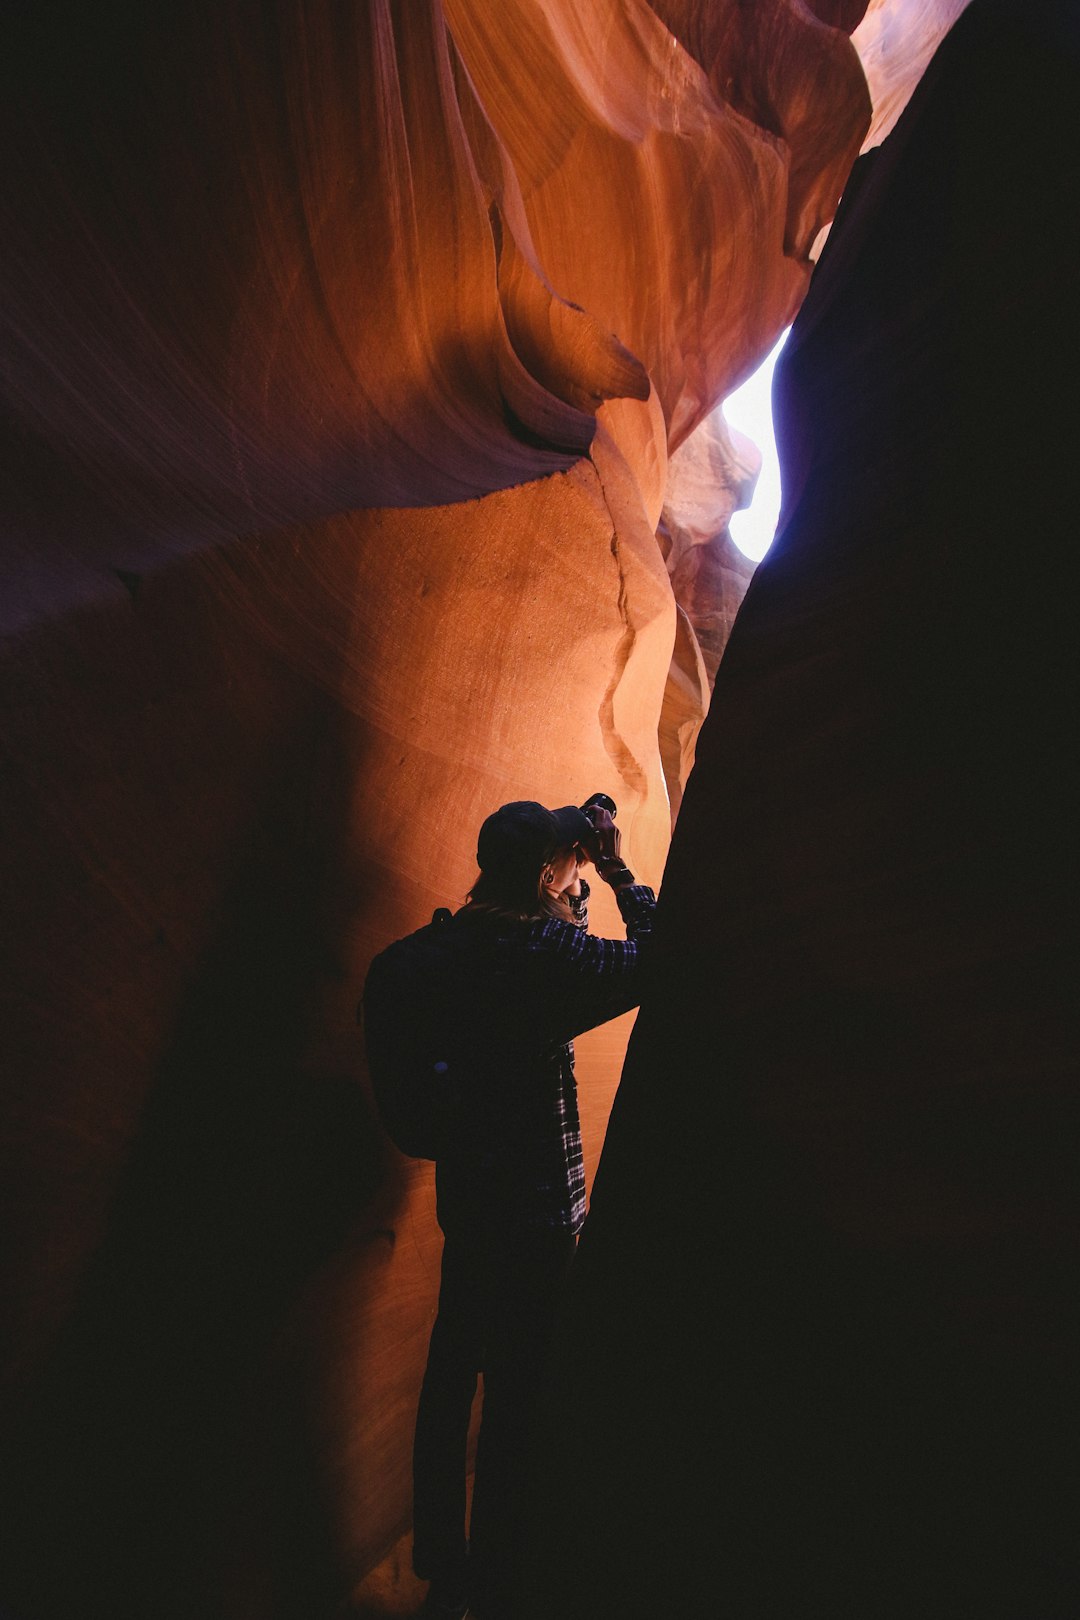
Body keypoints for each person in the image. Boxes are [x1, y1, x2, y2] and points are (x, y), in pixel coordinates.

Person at [397, 797, 656, 1619]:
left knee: (448, 1383)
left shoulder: (443, 949)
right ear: (549, 871)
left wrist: (565, 895)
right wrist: (612, 864)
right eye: (568, 865)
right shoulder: (549, 953)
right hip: (542, 1222)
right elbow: (660, 955)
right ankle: (497, 1581)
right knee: (516, 1402)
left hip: (469, 1207)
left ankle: (441, 1565)